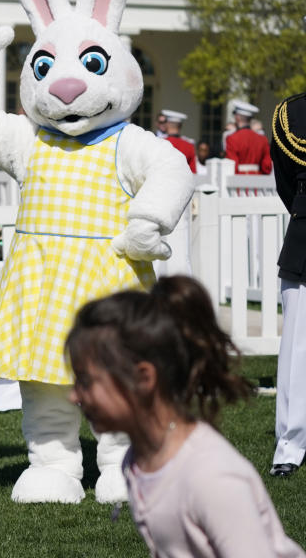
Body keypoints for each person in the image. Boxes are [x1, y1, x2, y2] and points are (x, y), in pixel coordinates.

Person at [66, 276, 304, 557]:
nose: (74, 395)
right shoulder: (139, 461)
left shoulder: (210, 477)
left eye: (86, 381)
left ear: (144, 378)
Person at [269, 92, 306, 478]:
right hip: (305, 236)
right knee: (297, 349)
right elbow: (287, 185)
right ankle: (290, 446)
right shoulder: (291, 114)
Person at [225, 101, 272, 174]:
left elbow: (232, 166)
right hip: (258, 181)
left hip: (238, 181)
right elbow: (267, 166)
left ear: (237, 117)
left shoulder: (232, 138)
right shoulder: (262, 139)